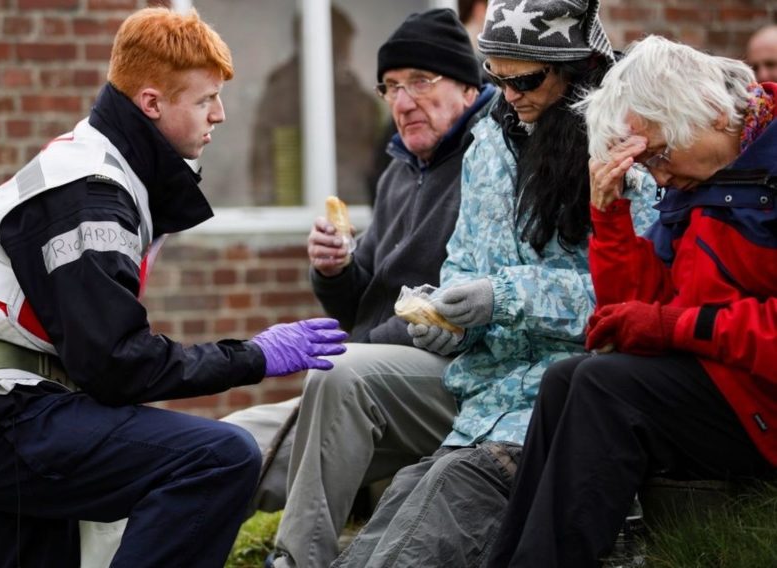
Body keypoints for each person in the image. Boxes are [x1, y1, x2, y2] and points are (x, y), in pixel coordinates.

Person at [0, 8, 347, 568]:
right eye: (205, 99)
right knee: (221, 457)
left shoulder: (98, 170)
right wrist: (253, 356)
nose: (222, 114)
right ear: (152, 103)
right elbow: (115, 364)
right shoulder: (89, 191)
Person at [333, 1, 660, 566]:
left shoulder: (628, 150)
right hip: (480, 412)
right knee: (381, 533)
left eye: (526, 79)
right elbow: (464, 264)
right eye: (497, 78)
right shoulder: (488, 141)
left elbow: (635, 300)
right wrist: (451, 327)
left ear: (576, 67)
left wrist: (503, 298)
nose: (509, 96)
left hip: (554, 417)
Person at [487, 34, 777, 567]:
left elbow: (674, 324)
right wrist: (611, 217)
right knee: (565, 379)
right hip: (729, 387)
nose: (659, 175)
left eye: (660, 154)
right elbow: (632, 320)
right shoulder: (701, 179)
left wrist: (673, 327)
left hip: (764, 403)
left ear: (713, 113)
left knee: (603, 386)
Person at [265, 9, 497, 568]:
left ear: (468, 85)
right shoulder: (400, 169)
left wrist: (358, 346)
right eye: (391, 86)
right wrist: (334, 270)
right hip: (370, 371)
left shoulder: (491, 161)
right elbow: (357, 304)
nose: (402, 100)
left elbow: (447, 305)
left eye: (420, 81)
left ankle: (295, 560)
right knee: (228, 442)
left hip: (463, 375)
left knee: (338, 376)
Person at [250, 5, 383, 206]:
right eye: (342, 43)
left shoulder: (349, 89)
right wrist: (270, 206)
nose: (346, 53)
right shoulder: (286, 89)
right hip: (295, 202)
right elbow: (266, 158)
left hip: (354, 200)